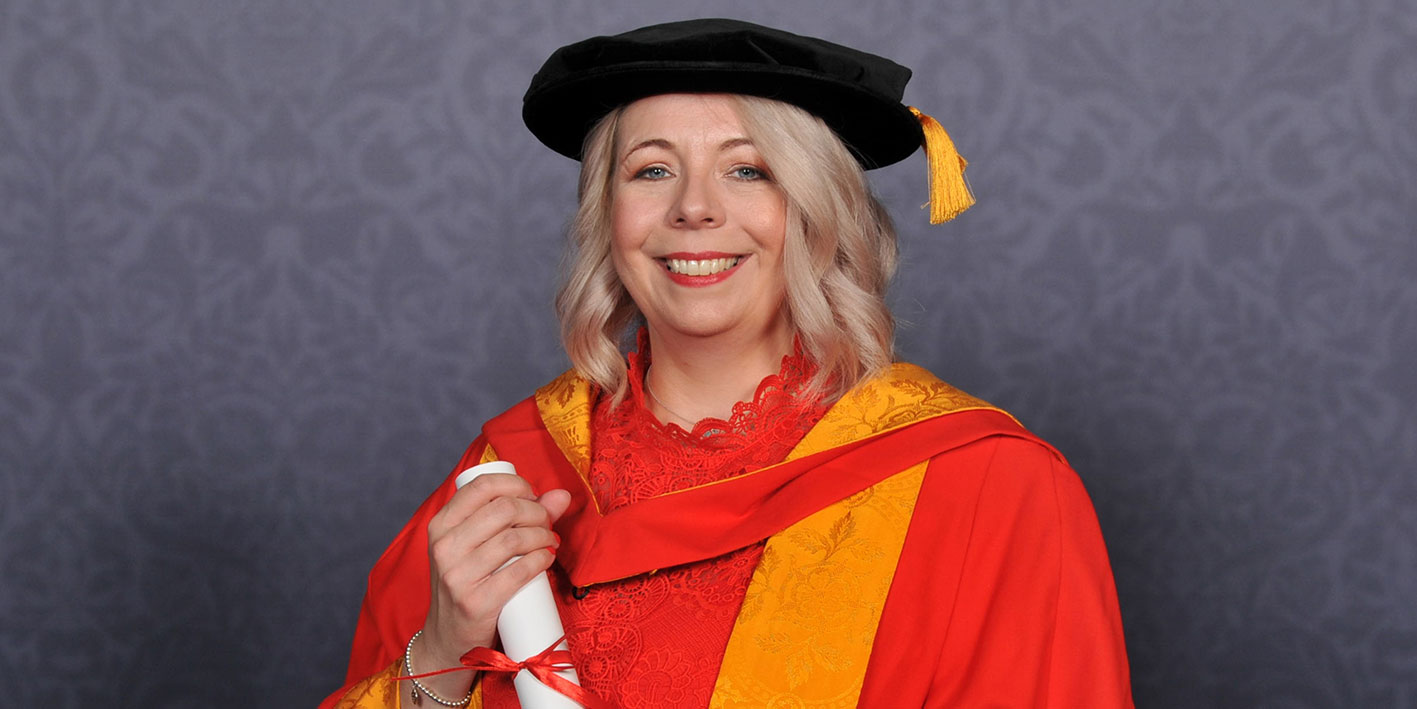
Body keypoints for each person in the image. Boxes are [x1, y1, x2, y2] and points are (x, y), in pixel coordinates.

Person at [323, 18, 1133, 709]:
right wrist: (440, 657)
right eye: (651, 170)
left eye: (748, 169)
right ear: (607, 216)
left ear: (816, 211)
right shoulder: (514, 468)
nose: (693, 207)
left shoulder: (983, 486)